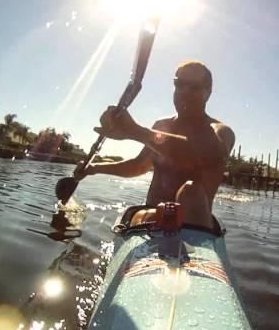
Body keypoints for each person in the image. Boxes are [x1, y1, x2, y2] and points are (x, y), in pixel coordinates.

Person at [73, 60, 235, 232]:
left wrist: (134, 131)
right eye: (179, 84)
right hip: (150, 219)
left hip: (195, 229)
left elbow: (210, 155)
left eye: (194, 87)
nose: (185, 91)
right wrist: (94, 168)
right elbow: (138, 166)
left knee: (191, 191)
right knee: (155, 213)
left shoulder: (221, 132)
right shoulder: (161, 126)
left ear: (207, 92)